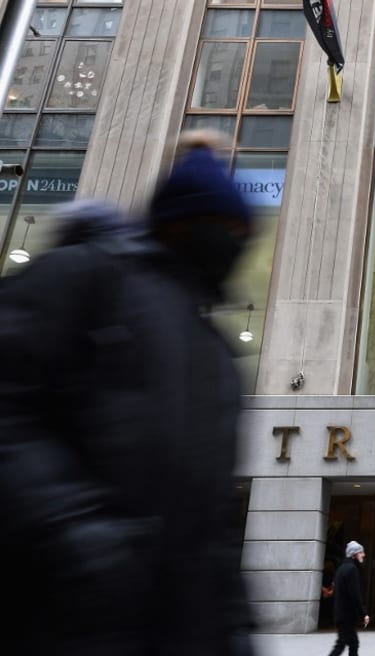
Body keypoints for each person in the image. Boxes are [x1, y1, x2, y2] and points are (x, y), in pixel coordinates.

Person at [0, 129, 257, 656]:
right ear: (180, 223)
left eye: (238, 229)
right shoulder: (88, 278)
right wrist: (69, 527)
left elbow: (211, 523)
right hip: (63, 619)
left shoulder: (218, 356)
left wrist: (231, 621)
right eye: (218, 223)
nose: (229, 240)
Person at [328, 541, 370, 656]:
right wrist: (364, 613)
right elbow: (355, 595)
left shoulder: (341, 569)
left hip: (342, 615)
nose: (363, 555)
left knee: (353, 644)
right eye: (361, 552)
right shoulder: (352, 569)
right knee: (341, 645)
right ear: (354, 554)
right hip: (346, 616)